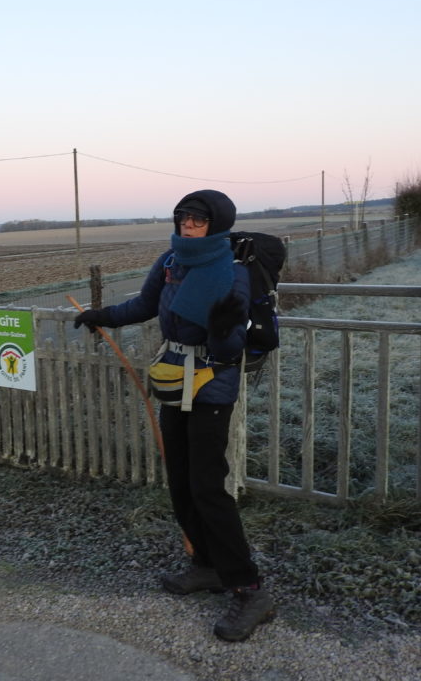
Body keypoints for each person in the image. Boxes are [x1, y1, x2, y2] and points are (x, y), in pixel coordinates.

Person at [73, 189, 275, 642]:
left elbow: (230, 349)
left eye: (197, 220)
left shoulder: (233, 273)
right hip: (173, 379)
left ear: (217, 223)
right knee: (180, 481)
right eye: (182, 217)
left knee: (207, 486)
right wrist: (99, 315)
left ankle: (249, 588)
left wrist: (223, 330)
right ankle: (207, 566)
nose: (187, 225)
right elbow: (144, 306)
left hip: (212, 384)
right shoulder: (170, 263)